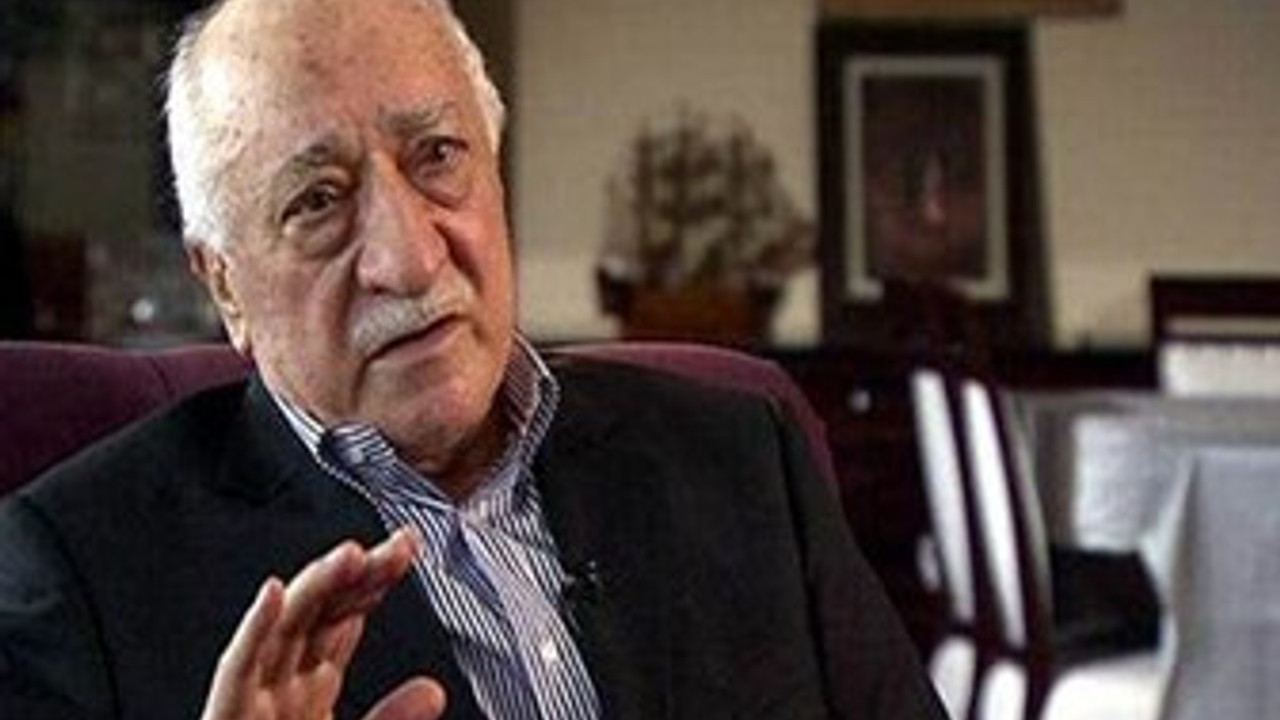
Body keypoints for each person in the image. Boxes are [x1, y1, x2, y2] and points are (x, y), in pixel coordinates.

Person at [0, 1, 945, 718]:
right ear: (226, 287)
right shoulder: (78, 573)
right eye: (317, 201)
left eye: (438, 156)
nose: (410, 258)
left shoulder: (744, 457)